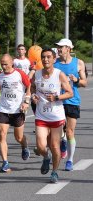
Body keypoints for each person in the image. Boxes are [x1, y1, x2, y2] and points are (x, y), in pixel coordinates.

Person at [31, 48, 73, 183]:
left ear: (54, 59)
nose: (46, 59)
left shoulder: (59, 75)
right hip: (41, 115)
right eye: (43, 57)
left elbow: (70, 93)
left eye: (49, 57)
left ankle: (54, 172)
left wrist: (57, 97)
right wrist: (33, 96)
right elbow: (31, 88)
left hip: (56, 116)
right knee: (40, 146)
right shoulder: (37, 74)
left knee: (55, 146)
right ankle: (46, 157)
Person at [0, 54, 31, 173]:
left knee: (19, 137)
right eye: (2, 63)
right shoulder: (0, 76)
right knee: (2, 136)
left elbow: (29, 86)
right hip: (4, 110)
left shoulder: (19, 74)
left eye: (6, 63)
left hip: (18, 110)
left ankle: (24, 146)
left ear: (12, 63)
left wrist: (26, 101)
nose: (4, 66)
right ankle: (5, 162)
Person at [54, 38, 88, 171]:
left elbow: (85, 83)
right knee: (58, 131)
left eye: (61, 47)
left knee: (69, 131)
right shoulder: (54, 63)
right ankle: (62, 143)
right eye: (57, 47)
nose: (58, 49)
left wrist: (77, 80)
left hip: (72, 101)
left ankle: (70, 160)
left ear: (68, 49)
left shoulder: (78, 63)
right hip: (58, 100)